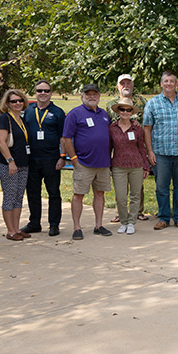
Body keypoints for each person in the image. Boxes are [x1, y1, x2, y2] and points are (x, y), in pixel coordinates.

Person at [62, 84, 113, 240]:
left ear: (99, 96)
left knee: (100, 194)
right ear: (82, 96)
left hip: (103, 163)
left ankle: (98, 225)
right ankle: (77, 227)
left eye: (95, 94)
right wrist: (74, 159)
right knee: (78, 195)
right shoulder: (75, 114)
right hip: (83, 162)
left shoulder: (104, 114)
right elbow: (66, 138)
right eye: (88, 94)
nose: (92, 96)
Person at [143, 72, 178, 230]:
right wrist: (150, 151)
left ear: (176, 83)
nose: (169, 84)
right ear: (161, 84)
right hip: (161, 153)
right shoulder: (153, 103)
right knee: (161, 187)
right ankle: (163, 217)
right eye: (166, 81)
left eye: (172, 81)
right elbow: (147, 129)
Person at [23, 80, 66, 236]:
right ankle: (34, 223)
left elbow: (63, 137)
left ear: (51, 93)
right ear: (35, 92)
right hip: (31, 159)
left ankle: (54, 224)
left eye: (46, 91)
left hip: (52, 159)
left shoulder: (58, 112)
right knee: (33, 193)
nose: (43, 94)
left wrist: (62, 157)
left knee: (53, 193)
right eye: (39, 91)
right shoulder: (28, 110)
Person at [107, 73, 149, 222]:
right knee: (120, 188)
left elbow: (147, 122)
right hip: (118, 144)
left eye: (128, 83)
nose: (126, 85)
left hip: (136, 146)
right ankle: (122, 214)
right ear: (118, 86)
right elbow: (107, 124)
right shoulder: (110, 104)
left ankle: (137, 212)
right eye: (122, 83)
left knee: (137, 187)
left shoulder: (141, 102)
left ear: (132, 85)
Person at [0, 88, 33, 241]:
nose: (17, 103)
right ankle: (10, 231)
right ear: (7, 104)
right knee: (10, 197)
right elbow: (0, 141)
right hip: (9, 164)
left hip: (23, 164)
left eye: (20, 100)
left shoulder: (21, 118)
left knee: (18, 197)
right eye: (13, 101)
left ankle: (17, 228)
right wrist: (11, 161)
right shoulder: (5, 118)